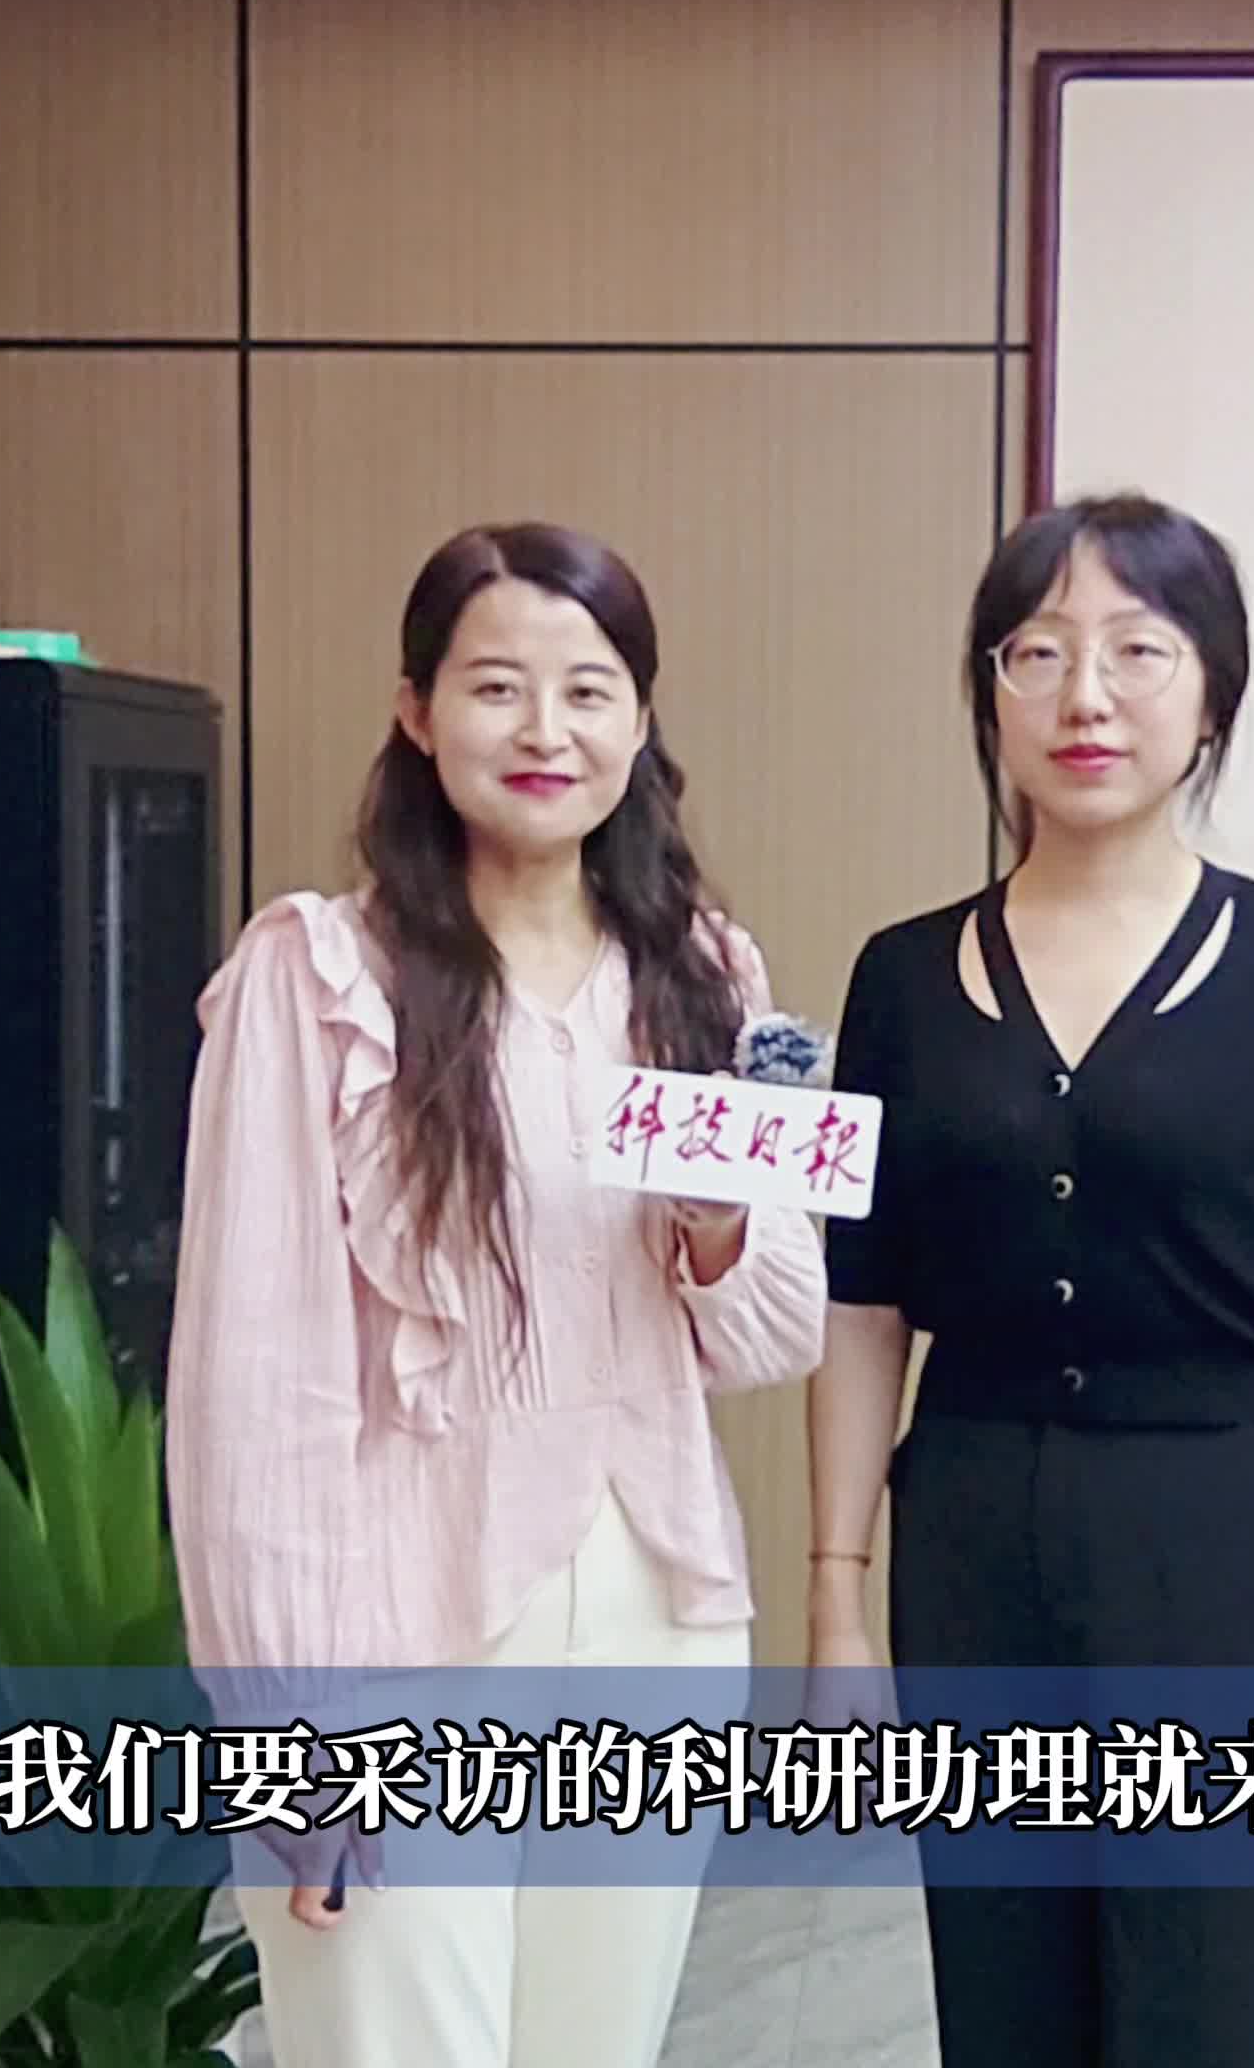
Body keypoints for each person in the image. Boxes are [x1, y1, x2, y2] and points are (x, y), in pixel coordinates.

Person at [162, 522, 828, 2068]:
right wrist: (289, 1730)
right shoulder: (318, 979)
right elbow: (254, 1396)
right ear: (417, 711)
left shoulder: (708, 976)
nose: (546, 730)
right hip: (392, 1636)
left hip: (661, 1612)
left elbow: (776, 1328)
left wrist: (718, 1222)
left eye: (589, 691)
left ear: (640, 723)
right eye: (496, 686)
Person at [804, 492, 1254, 2066]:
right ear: (990, 695)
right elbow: (861, 1305)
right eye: (1040, 653)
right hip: (973, 1539)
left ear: (1212, 693)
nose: (1087, 695)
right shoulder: (898, 976)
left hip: (1225, 1543)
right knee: (1004, 1998)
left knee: (1215, 1996)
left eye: (1139, 651)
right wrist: (837, 1602)